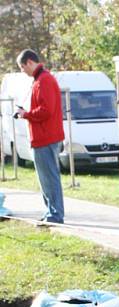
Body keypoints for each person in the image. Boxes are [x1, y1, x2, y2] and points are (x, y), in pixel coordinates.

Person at [15, 49, 64, 224]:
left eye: (22, 67)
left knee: (49, 177)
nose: (23, 71)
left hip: (46, 137)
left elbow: (46, 110)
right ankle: (51, 211)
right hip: (41, 137)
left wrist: (26, 114)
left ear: (29, 62)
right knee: (45, 178)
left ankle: (56, 214)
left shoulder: (44, 80)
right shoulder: (39, 80)